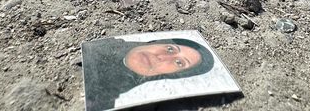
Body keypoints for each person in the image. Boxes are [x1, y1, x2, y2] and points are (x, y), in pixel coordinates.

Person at [83, 37, 215, 111]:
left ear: (171, 75)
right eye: (170, 49)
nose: (162, 57)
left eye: (179, 63)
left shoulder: (104, 100)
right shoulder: (107, 43)